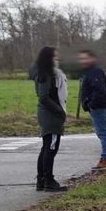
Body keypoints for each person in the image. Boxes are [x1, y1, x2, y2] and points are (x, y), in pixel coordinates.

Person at [29, 46, 68, 192]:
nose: (57, 60)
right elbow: (44, 97)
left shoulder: (43, 73)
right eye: (55, 57)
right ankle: (48, 180)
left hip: (47, 114)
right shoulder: (46, 75)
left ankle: (41, 180)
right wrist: (60, 111)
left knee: (46, 148)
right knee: (51, 148)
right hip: (50, 115)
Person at [78, 50, 106, 170]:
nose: (83, 61)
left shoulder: (94, 72)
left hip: (99, 107)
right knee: (101, 132)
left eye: (85, 58)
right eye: (81, 59)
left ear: (92, 59)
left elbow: (100, 90)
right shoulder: (90, 72)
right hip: (97, 106)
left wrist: (91, 104)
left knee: (102, 132)